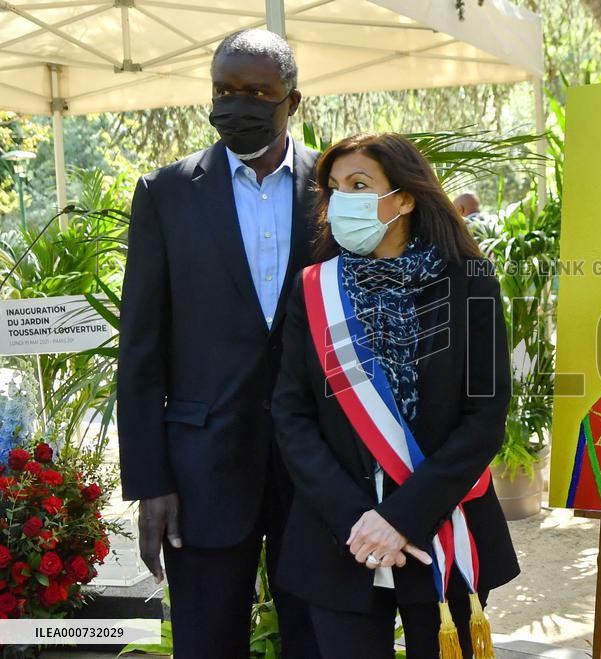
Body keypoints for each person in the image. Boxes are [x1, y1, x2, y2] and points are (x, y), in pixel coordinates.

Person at [271, 133, 519, 658]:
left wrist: (400, 518)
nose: (343, 199)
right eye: (334, 188)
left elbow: (484, 416)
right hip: (340, 536)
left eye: (360, 184)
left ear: (404, 197)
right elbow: (292, 416)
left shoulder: (469, 283)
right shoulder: (314, 289)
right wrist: (358, 521)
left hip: (444, 527)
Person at [117, 29, 321, 658]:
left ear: (293, 101)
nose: (238, 104)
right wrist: (150, 483)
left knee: (319, 642)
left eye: (258, 92)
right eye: (224, 91)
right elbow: (141, 353)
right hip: (199, 476)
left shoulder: (337, 188)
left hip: (317, 472)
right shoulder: (167, 194)